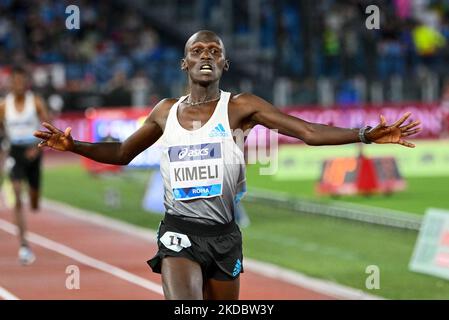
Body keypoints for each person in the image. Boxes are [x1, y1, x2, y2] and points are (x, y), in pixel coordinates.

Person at [34, 30, 421, 299]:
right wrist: (73, 145)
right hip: (179, 233)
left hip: (224, 236)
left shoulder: (240, 107)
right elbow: (120, 153)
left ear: (225, 63)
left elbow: (306, 131)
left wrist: (365, 135)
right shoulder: (163, 112)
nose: (206, 55)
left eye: (214, 51)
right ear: (184, 63)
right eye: (198, 50)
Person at [0, 66, 50, 265]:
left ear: (26, 83)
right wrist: (5, 148)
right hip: (15, 152)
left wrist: (37, 149)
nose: (18, 85)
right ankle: (23, 244)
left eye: (22, 81)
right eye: (15, 81)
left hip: (33, 151)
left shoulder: (35, 102)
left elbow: (49, 128)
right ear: (10, 83)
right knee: (17, 192)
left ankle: (34, 197)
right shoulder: (4, 106)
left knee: (34, 200)